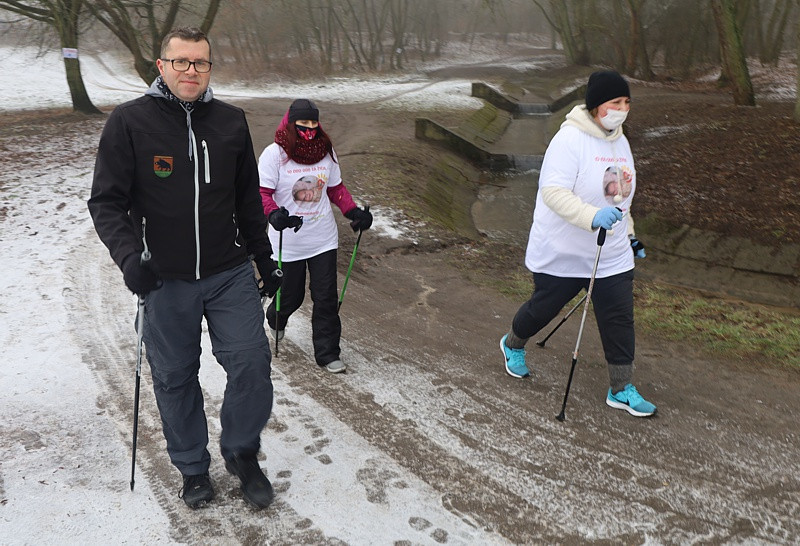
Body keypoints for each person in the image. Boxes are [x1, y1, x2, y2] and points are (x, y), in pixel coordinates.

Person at [88, 27, 282, 509]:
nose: (191, 71)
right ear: (162, 66)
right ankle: (193, 467)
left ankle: (241, 451)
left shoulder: (231, 122)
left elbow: (246, 201)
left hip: (228, 271)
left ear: (210, 68)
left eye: (201, 63)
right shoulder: (129, 122)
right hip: (164, 278)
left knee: (252, 364)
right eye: (181, 62)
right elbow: (107, 202)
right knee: (174, 376)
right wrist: (131, 259)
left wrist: (265, 258)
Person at [499, 70, 656, 418]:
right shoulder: (569, 139)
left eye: (627, 102)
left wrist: (629, 234)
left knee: (618, 316)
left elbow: (620, 196)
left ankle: (621, 388)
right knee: (543, 308)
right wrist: (591, 216)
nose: (622, 109)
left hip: (610, 251)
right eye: (616, 102)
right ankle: (513, 343)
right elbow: (552, 192)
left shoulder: (621, 140)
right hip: (564, 250)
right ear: (597, 105)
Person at [258, 98, 373, 374]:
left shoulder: (326, 151)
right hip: (288, 240)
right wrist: (273, 214)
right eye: (302, 124)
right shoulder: (274, 154)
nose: (308, 129)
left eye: (313, 123)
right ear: (290, 123)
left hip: (322, 238)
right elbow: (262, 193)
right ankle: (276, 317)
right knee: (291, 297)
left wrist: (353, 212)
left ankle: (328, 352)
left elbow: (335, 189)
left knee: (325, 298)